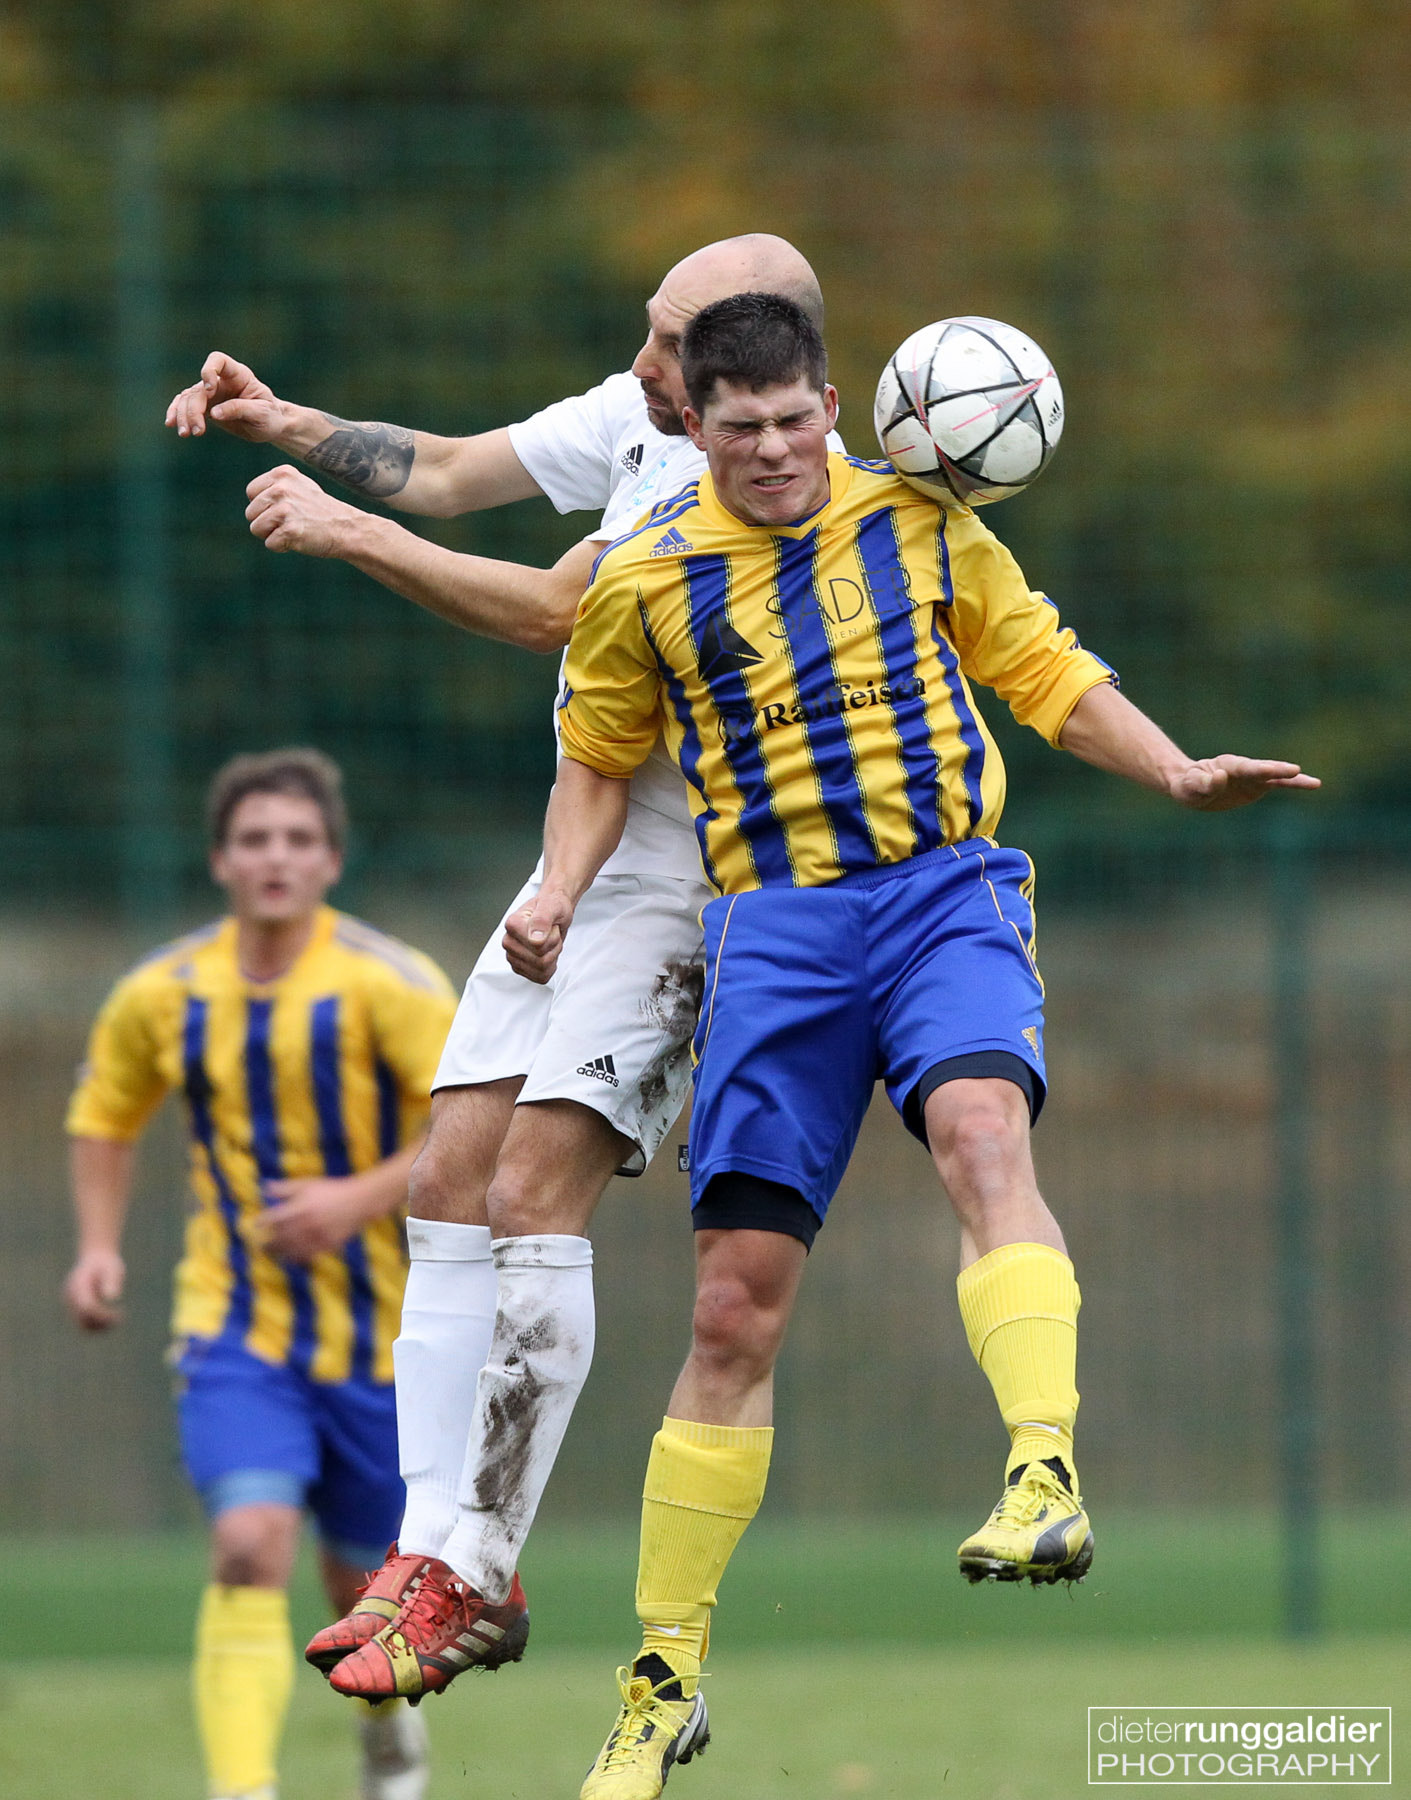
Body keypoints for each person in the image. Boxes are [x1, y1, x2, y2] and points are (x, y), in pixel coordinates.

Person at [498, 292, 1321, 1799]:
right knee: (732, 1314)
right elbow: (596, 761)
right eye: (735, 427)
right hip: (774, 933)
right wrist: (554, 895)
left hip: (940, 892)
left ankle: (1039, 1470)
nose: (769, 452)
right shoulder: (647, 575)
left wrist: (1173, 768)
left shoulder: (926, 523)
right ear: (690, 422)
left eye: (792, 420)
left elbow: (1044, 671)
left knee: (980, 1134)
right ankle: (662, 1675)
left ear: (834, 405)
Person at [163, 239, 844, 1704]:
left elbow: (552, 610)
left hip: (682, 891)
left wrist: (342, 536)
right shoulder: (646, 413)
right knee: (443, 1184)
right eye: (651, 344)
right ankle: (441, 1554)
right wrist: (293, 427)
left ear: (756, 360)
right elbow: (457, 467)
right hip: (571, 870)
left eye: (670, 347)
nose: (643, 366)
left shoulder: (759, 481)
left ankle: (467, 1569)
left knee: (533, 1193)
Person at [63, 750, 458, 1800]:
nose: (274, 858)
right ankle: (243, 1789)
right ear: (220, 860)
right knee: (247, 1543)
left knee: (360, 1590)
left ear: (331, 858)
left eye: (295, 839)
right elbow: (104, 1118)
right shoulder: (163, 991)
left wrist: (357, 1199)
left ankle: (385, 1739)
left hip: (384, 1338)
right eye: (253, 840)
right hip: (234, 1331)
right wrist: (99, 1248)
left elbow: (473, 1125)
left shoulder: (392, 981)